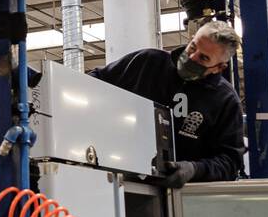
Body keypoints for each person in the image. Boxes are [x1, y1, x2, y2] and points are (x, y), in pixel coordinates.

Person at [89, 19, 245, 187]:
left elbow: (230, 162)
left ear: (218, 67)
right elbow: (94, 81)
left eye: (203, 58)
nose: (192, 57)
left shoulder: (225, 100)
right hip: (112, 176)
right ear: (191, 38)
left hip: (174, 195)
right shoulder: (147, 63)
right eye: (193, 46)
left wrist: (194, 169)